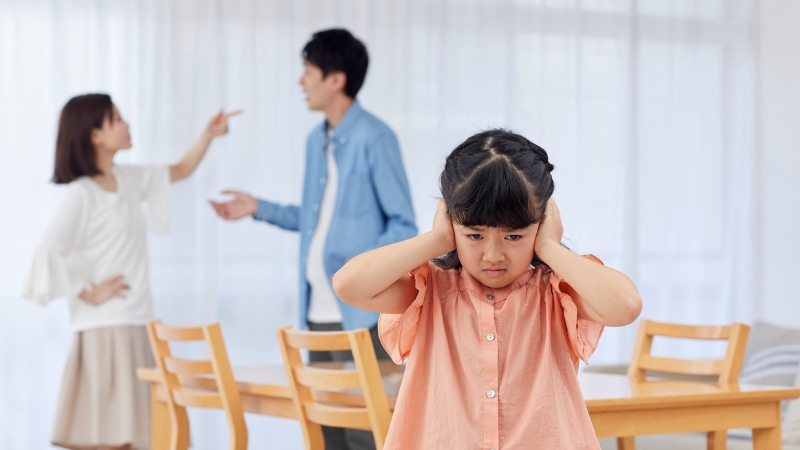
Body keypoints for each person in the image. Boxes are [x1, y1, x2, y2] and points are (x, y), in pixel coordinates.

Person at [333, 129, 643, 449]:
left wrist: (549, 246)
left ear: (540, 224)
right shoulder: (430, 291)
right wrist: (437, 239)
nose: (493, 255)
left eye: (514, 236)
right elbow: (348, 285)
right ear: (451, 222)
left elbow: (626, 306)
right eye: (475, 236)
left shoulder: (555, 293)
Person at [210, 28, 416, 450]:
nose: (301, 81)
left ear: (335, 79)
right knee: (324, 433)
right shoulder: (314, 141)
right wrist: (257, 207)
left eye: (308, 71)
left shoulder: (376, 138)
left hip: (361, 316)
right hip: (318, 315)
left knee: (366, 433)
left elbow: (403, 226)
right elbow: (315, 220)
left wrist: (361, 269)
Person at [23, 93, 240, 450]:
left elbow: (180, 170)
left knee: (148, 436)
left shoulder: (129, 178)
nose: (127, 125)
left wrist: (208, 134)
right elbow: (48, 249)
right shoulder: (82, 194)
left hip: (139, 323)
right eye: (116, 119)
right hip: (106, 329)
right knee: (114, 437)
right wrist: (88, 291)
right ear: (95, 135)